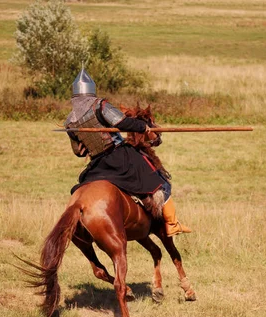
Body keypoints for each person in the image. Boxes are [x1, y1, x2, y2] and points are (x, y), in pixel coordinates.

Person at [64, 68, 191, 237]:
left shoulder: (69, 121)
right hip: (119, 157)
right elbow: (121, 122)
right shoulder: (99, 105)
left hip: (97, 165)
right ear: (91, 92)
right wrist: (141, 126)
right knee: (159, 180)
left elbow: (78, 151)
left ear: (75, 96)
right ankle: (171, 224)